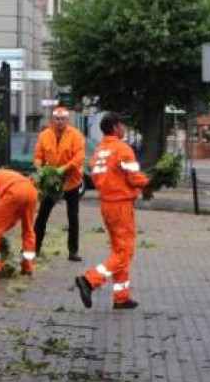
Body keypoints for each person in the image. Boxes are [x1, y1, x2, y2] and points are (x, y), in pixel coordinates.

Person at [75, 112, 150, 310]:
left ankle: (121, 296)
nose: (125, 129)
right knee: (124, 252)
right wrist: (151, 182)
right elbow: (134, 178)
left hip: (107, 204)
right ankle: (90, 280)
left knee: (118, 250)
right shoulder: (122, 149)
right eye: (123, 125)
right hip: (121, 205)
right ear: (116, 127)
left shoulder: (100, 150)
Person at [33, 106, 87, 261]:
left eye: (63, 119)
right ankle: (34, 248)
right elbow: (38, 156)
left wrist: (64, 168)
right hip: (51, 182)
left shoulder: (76, 135)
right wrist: (40, 169)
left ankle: (73, 251)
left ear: (67, 120)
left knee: (73, 216)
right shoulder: (44, 135)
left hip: (71, 181)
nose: (59, 122)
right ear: (52, 119)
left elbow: (79, 157)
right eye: (57, 118)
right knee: (42, 215)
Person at [0, 168, 38, 278]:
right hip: (31, 191)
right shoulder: (2, 175)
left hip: (15, 192)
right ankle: (28, 267)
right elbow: (10, 218)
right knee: (28, 229)